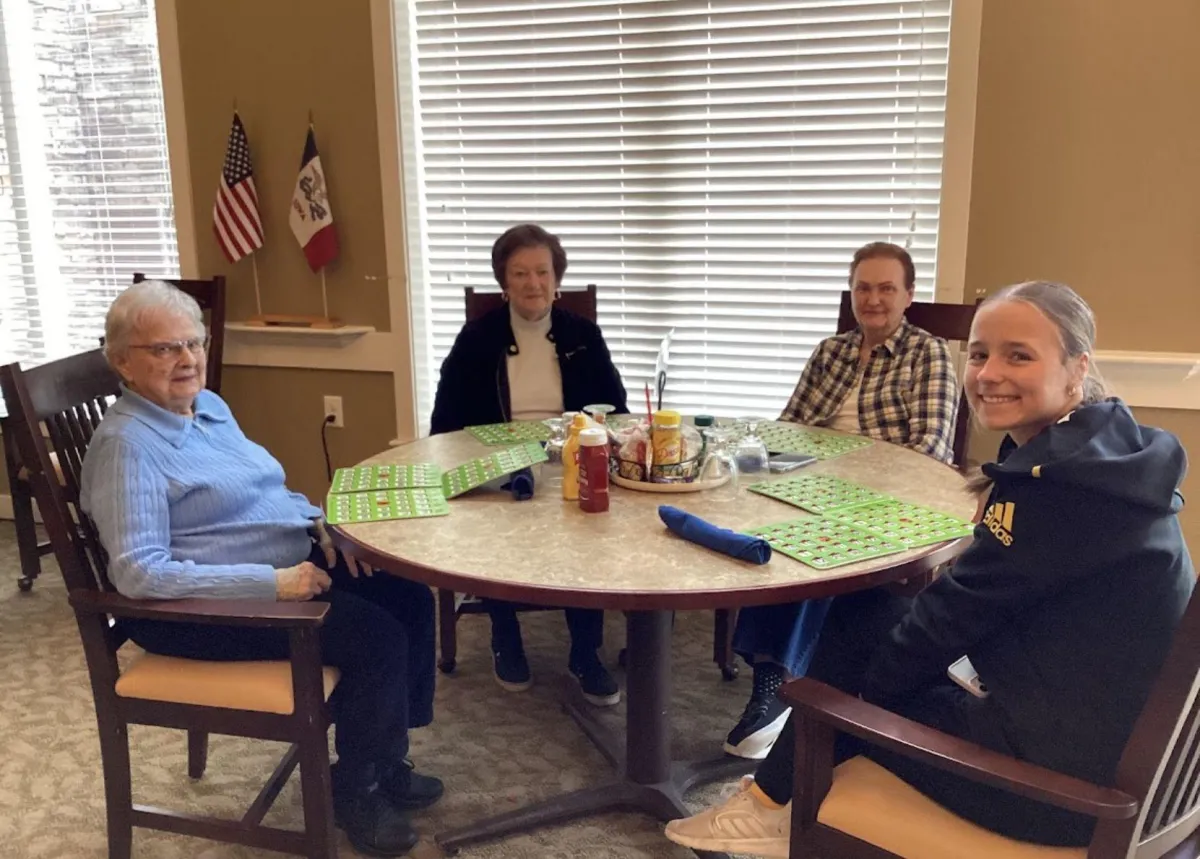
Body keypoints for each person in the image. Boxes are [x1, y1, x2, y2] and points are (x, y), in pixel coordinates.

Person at [666, 281, 1195, 856]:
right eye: (979, 353)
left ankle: (773, 804)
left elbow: (936, 632)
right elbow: (980, 609)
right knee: (869, 613)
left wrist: (845, 703)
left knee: (852, 671)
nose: (989, 373)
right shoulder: (1107, 453)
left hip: (1060, 797)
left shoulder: (1050, 492)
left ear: (1076, 368)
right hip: (1110, 751)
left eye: (1019, 355)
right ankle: (772, 799)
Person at [80, 280, 438, 857]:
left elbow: (262, 491)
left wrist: (320, 525)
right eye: (164, 349)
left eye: (193, 342)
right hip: (197, 609)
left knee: (407, 593)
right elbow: (139, 574)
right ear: (122, 361)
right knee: (375, 637)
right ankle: (355, 789)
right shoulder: (128, 447)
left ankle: (385, 756)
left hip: (281, 565)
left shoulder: (210, 407)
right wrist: (272, 585)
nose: (187, 358)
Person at [724, 241, 960, 760]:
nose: (873, 299)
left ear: (909, 295)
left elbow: (929, 450)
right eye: (863, 288)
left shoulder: (930, 354)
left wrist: (845, 480)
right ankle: (772, 672)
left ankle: (778, 685)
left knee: (811, 546)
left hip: (885, 497)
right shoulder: (830, 351)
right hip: (807, 481)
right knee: (760, 529)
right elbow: (786, 427)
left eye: (886, 288)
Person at [430, 223, 629, 705]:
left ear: (556, 278)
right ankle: (505, 636)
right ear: (504, 280)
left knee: (590, 528)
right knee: (499, 523)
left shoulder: (583, 334)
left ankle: (585, 651)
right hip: (498, 468)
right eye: (520, 273)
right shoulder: (476, 338)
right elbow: (444, 423)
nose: (532, 283)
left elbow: (617, 409)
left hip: (570, 461)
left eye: (542, 271)